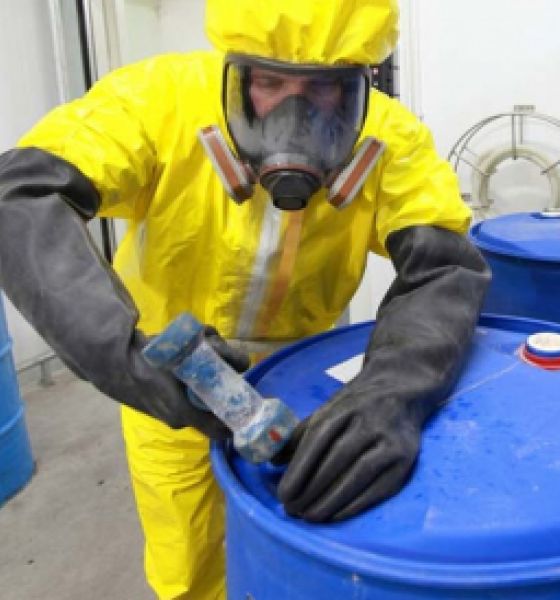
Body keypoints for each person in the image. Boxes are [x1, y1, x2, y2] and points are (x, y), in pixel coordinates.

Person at [0, 0, 490, 598]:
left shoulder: (389, 139)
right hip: (173, 375)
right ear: (235, 73)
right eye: (268, 83)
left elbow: (445, 268)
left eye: (324, 89)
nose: (292, 115)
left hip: (304, 383)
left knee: (304, 545)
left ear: (361, 83)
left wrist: (394, 391)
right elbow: (22, 196)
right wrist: (120, 356)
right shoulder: (159, 101)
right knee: (189, 560)